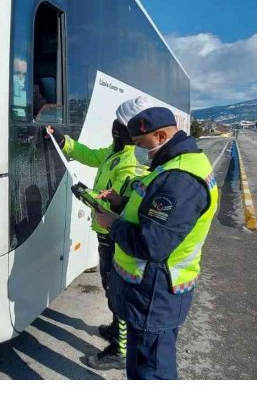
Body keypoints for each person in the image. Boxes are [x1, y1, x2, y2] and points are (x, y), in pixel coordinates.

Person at [93, 106, 219, 380]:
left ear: (161, 136)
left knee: (151, 371)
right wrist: (121, 202)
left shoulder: (179, 179)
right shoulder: (173, 164)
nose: (137, 150)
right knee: (142, 364)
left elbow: (153, 245)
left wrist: (112, 224)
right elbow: (154, 213)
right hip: (152, 291)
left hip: (155, 293)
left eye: (139, 143)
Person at [44, 96, 151, 370]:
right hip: (106, 235)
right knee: (111, 287)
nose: (114, 126)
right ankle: (118, 331)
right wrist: (62, 139)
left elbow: (118, 202)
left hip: (115, 235)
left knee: (118, 293)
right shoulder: (115, 152)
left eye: (120, 124)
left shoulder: (131, 163)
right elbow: (89, 155)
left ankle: (120, 350)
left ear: (133, 131)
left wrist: (86, 195)